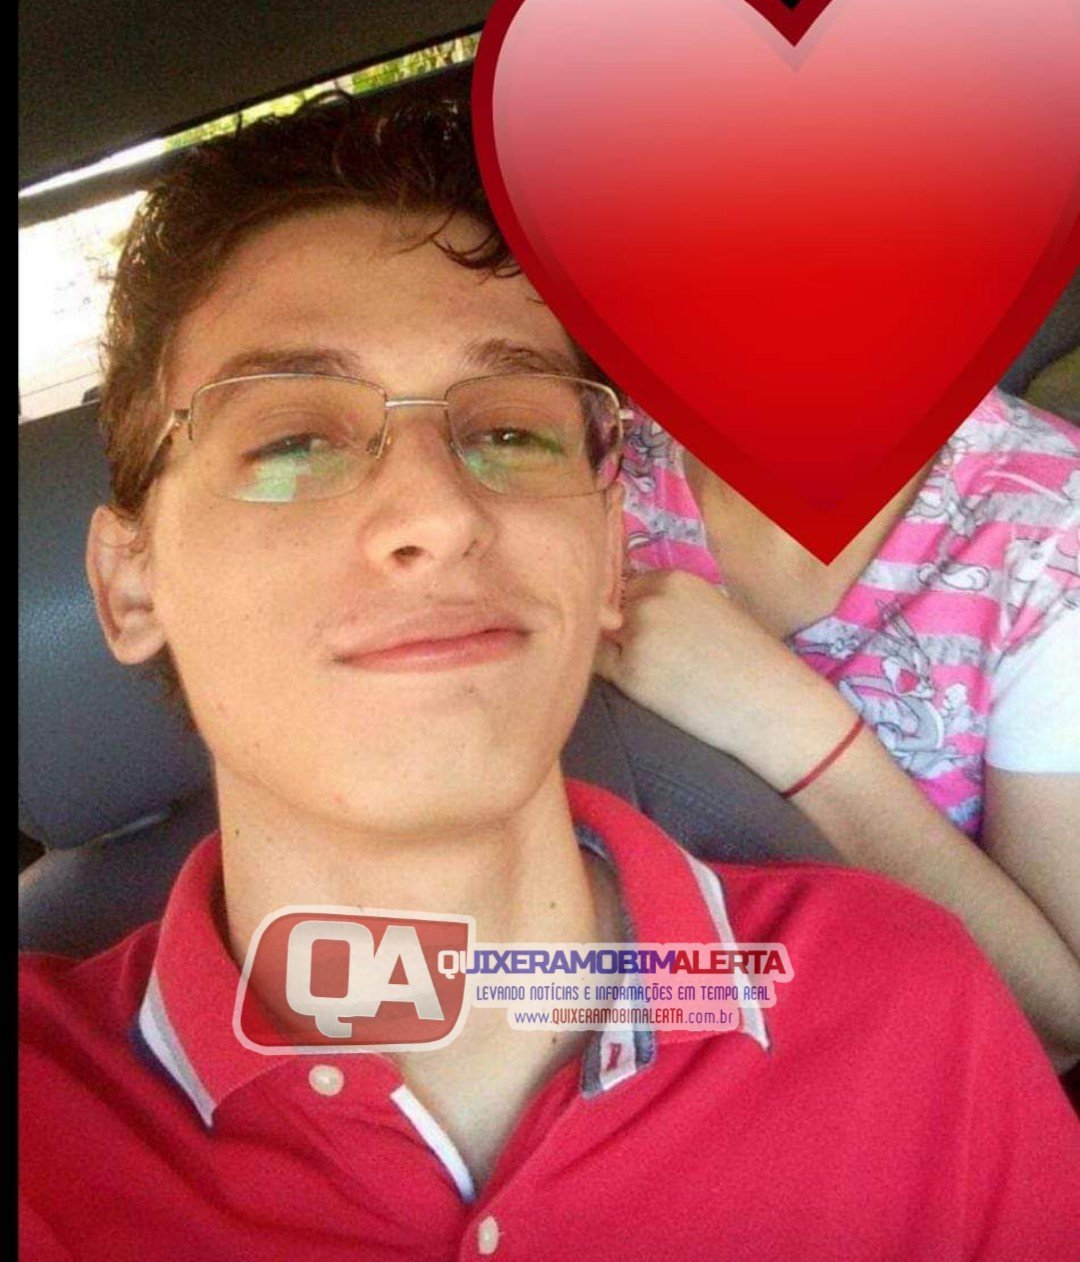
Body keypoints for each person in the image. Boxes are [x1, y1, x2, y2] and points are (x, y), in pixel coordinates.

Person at [19, 84, 1080, 1260]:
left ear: (609, 542)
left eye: (506, 430)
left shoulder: (909, 1011)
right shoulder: (47, 1129)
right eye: (294, 440)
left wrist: (797, 728)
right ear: (129, 584)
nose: (436, 511)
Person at [600, 385, 1080, 1068]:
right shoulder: (593, 468)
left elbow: (1061, 1020)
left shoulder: (1049, 530)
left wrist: (795, 730)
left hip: (893, 1082)